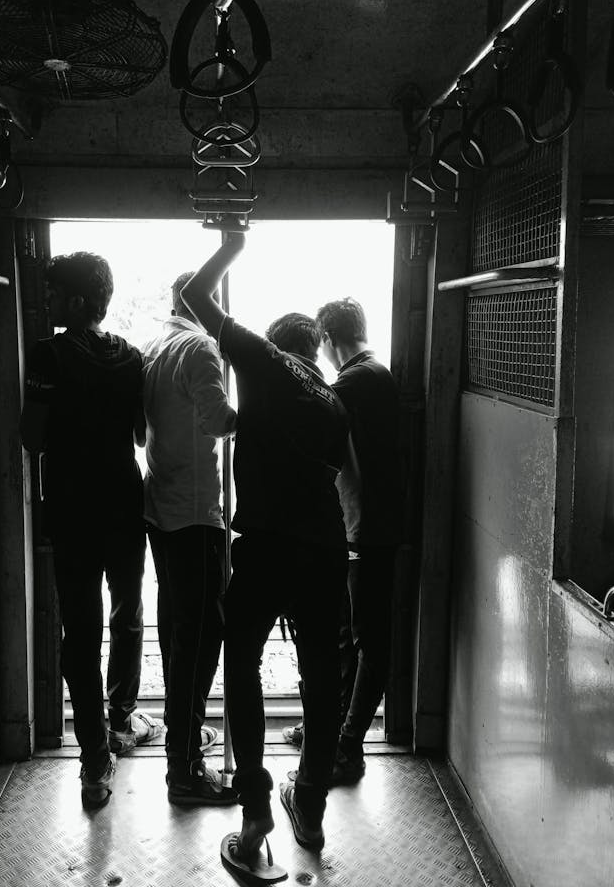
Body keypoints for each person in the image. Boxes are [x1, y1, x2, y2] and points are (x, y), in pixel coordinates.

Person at [181, 233, 350, 881]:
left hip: (269, 547)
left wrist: (230, 246)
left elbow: (193, 295)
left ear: (278, 342)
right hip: (326, 548)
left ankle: (255, 812)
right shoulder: (333, 403)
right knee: (322, 676)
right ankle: (309, 806)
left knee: (243, 663)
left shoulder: (261, 357)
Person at [20, 251, 162, 809]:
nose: (47, 302)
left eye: (54, 293)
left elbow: (33, 438)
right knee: (127, 616)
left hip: (74, 514)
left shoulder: (47, 355)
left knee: (80, 633)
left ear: (76, 301)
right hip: (125, 506)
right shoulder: (131, 358)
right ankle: (121, 715)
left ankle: (93, 761)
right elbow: (140, 436)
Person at [283, 296, 401, 786]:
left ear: (328, 340)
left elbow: (315, 430)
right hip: (372, 523)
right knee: (349, 636)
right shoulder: (378, 374)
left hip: (364, 527)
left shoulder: (353, 381)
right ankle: (329, 733)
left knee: (366, 638)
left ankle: (347, 746)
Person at [141, 272, 238, 806]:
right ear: (207, 299)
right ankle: (184, 771)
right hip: (197, 514)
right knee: (202, 639)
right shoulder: (200, 348)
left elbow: (140, 432)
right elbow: (220, 419)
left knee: (179, 633)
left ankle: (182, 739)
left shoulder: (155, 346)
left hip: (161, 507)